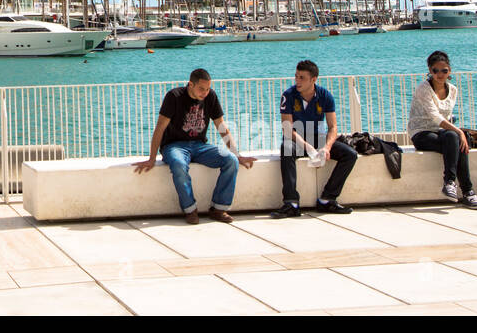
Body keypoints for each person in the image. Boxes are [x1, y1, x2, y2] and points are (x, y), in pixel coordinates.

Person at [135, 68, 256, 223]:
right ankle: (190, 210)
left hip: (199, 145)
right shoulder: (174, 96)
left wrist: (238, 155)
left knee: (231, 161)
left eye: (207, 89)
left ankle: (218, 209)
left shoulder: (210, 96)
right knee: (179, 164)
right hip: (174, 146)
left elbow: (221, 126)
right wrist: (152, 158)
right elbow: (160, 127)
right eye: (201, 89)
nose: (205, 93)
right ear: (190, 84)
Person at [271, 60, 358, 217]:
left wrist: (327, 148)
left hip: (318, 138)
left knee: (350, 154)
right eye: (296, 76)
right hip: (296, 139)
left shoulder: (325, 96)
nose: (297, 81)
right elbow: (287, 128)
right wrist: (308, 148)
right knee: (286, 149)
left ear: (314, 79)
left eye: (302, 78)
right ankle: (291, 203)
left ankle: (327, 199)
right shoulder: (288, 95)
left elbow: (332, 127)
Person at [409, 51, 477, 208]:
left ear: (449, 71)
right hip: (422, 133)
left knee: (455, 139)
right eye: (435, 70)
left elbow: (446, 119)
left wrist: (459, 134)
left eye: (444, 70)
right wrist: (460, 132)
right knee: (456, 138)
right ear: (430, 71)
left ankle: (452, 184)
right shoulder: (424, 89)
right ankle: (467, 190)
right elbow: (435, 117)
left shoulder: (453, 90)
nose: (440, 74)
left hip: (442, 133)